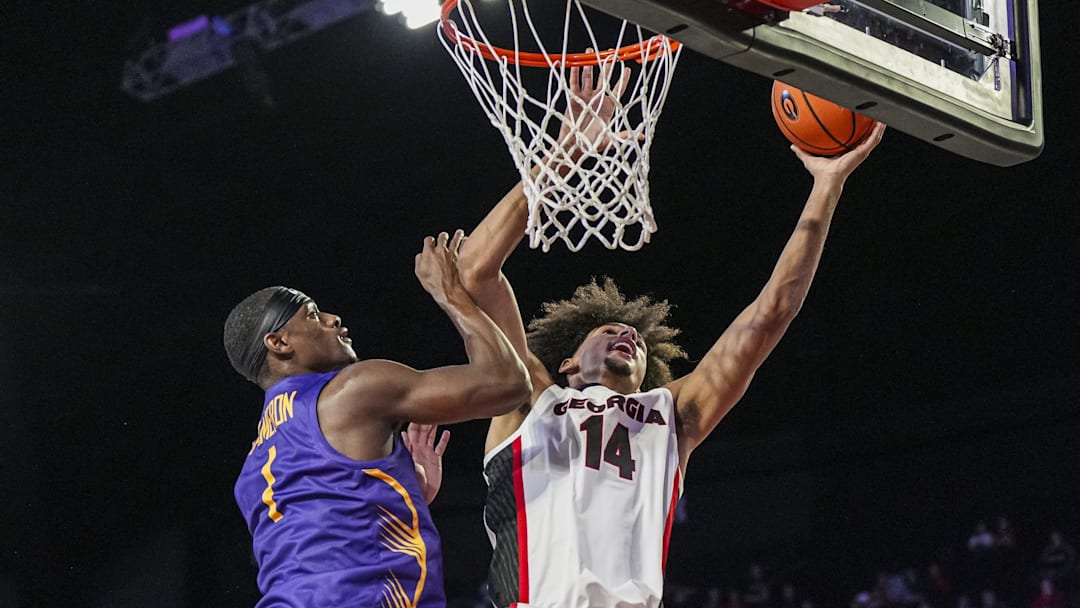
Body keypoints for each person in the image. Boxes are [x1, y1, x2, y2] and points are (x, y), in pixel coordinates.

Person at [455, 61, 886, 607]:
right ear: (567, 363)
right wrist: (563, 156)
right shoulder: (527, 396)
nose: (626, 337)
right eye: (609, 329)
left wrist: (827, 186)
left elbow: (772, 312)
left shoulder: (672, 416)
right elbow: (474, 272)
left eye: (633, 338)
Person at [224, 231, 531, 607]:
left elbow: (315, 544)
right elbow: (508, 384)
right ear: (280, 343)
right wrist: (450, 295)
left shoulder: (252, 471)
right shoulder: (351, 390)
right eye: (314, 316)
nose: (334, 319)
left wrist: (404, 495)